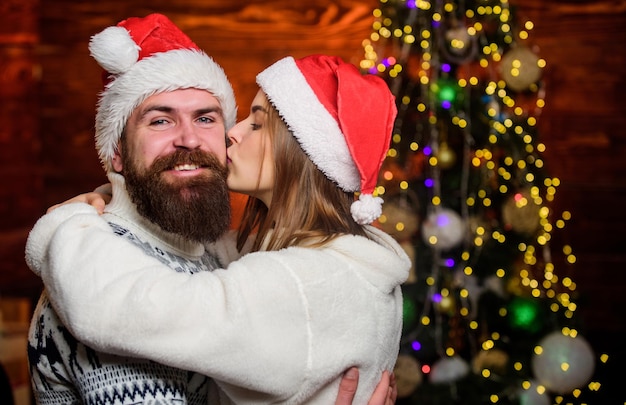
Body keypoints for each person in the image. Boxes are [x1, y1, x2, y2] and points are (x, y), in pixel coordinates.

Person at [25, 14, 396, 405]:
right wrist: (102, 201)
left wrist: (64, 226)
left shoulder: (304, 278)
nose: (199, 138)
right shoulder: (259, 256)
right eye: (160, 120)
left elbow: (115, 303)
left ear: (302, 153)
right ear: (117, 152)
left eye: (206, 119)